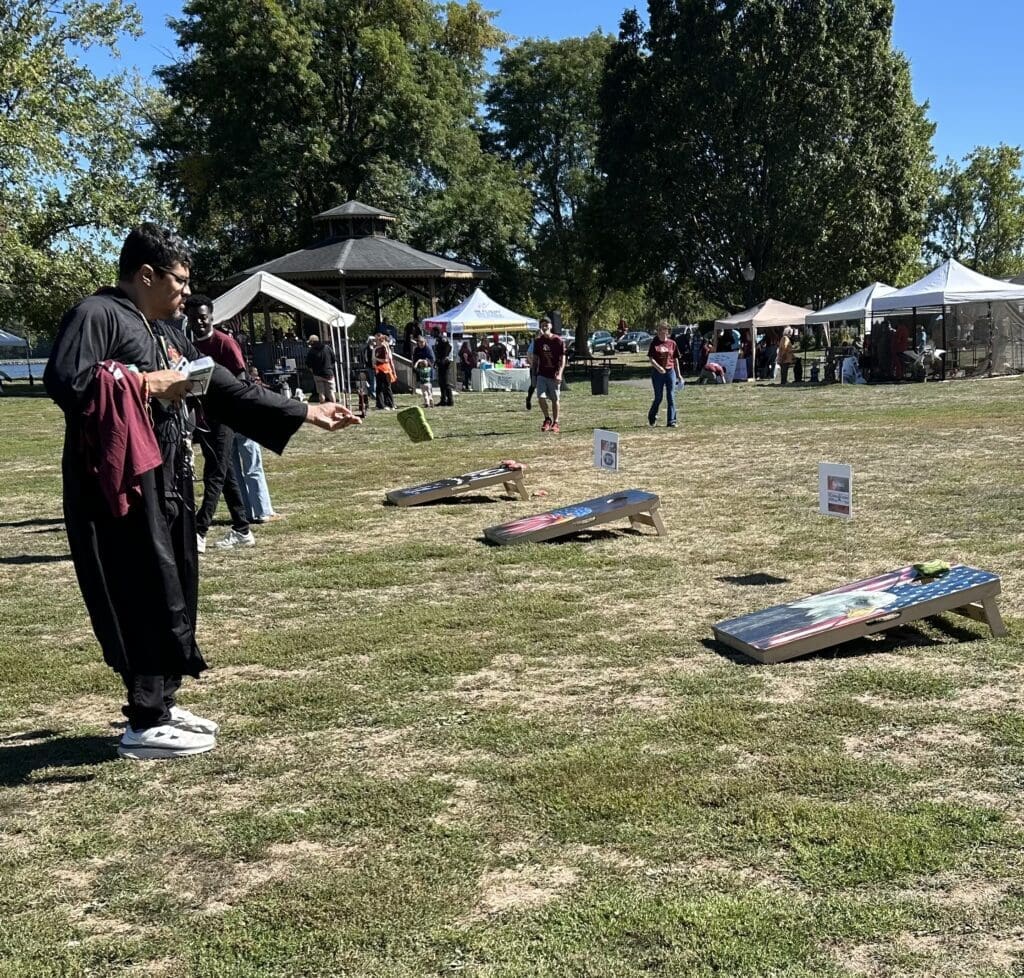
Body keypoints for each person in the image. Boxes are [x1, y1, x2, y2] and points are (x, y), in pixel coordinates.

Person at [44, 223, 359, 760]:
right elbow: (67, 381)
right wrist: (145, 383)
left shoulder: (166, 329)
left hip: (169, 475)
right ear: (146, 274)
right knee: (140, 586)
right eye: (180, 280)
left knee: (175, 583)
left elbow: (221, 389)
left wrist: (304, 411)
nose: (188, 292)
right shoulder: (96, 314)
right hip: (122, 485)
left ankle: (163, 703)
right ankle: (144, 719)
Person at [185, 295, 256, 553]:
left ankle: (199, 530)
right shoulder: (189, 345)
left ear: (212, 316)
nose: (199, 322)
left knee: (214, 474)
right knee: (225, 475)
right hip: (203, 419)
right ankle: (242, 529)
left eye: (203, 317)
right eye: (193, 318)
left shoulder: (224, 343)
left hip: (224, 417)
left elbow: (241, 377)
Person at [232, 367, 282, 524]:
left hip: (222, 418)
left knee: (234, 471)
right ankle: (262, 510)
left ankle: (246, 511)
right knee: (252, 464)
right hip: (241, 414)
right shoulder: (230, 354)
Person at [533, 317, 566, 433]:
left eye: (546, 324)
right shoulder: (538, 341)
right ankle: (547, 419)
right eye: (542, 324)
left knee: (554, 399)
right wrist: (533, 373)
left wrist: (560, 374)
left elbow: (563, 359)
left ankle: (556, 422)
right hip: (542, 374)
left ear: (551, 326)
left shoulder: (558, 341)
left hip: (554, 375)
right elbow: (536, 359)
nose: (544, 326)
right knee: (541, 397)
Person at [647, 321, 681, 427]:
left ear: (667, 331)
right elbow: (651, 359)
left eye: (662, 330)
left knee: (671, 396)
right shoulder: (654, 343)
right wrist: (658, 368)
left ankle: (671, 421)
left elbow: (675, 360)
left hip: (670, 372)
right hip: (658, 374)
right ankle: (652, 416)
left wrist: (679, 375)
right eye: (659, 330)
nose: (660, 332)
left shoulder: (672, 343)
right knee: (659, 397)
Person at [305, 334, 336, 403]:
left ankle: (323, 409)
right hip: (328, 373)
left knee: (321, 393)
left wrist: (313, 371)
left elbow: (308, 363)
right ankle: (334, 409)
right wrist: (330, 367)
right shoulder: (327, 348)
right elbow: (334, 359)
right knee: (331, 392)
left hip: (317, 374)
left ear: (312, 342)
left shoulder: (311, 351)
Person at [373, 330, 396, 409]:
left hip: (385, 369)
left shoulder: (385, 349)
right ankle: (380, 404)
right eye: (378, 340)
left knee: (387, 387)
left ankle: (391, 404)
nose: (379, 342)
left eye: (380, 340)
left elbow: (386, 360)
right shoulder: (377, 349)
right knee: (379, 387)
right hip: (379, 369)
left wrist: (376, 358)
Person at [412, 334, 435, 407]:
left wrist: (425, 362)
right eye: (419, 342)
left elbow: (432, 359)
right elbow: (414, 358)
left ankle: (429, 399)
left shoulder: (428, 349)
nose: (421, 344)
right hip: (420, 368)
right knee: (423, 387)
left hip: (427, 368)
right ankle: (427, 400)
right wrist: (416, 366)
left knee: (428, 386)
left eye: (422, 342)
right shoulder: (416, 349)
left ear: (425, 342)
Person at [434, 329, 453, 406]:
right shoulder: (437, 340)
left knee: (446, 382)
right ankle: (443, 400)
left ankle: (450, 400)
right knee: (441, 382)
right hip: (439, 362)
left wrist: (445, 356)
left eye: (433, 332)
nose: (432, 333)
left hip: (444, 363)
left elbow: (449, 346)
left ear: (437, 332)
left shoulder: (443, 339)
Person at [525, 335, 538, 410]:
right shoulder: (534, 342)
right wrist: (532, 363)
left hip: (543, 368)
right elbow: (528, 354)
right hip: (534, 368)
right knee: (533, 385)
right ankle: (528, 399)